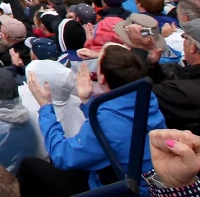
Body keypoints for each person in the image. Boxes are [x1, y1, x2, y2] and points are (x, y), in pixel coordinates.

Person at [18, 46, 167, 195]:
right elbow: (119, 125)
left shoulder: (107, 123)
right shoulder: (147, 97)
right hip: (146, 181)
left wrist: (45, 107)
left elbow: (61, 156)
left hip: (122, 190)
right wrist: (87, 101)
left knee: (30, 167)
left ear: (101, 78)